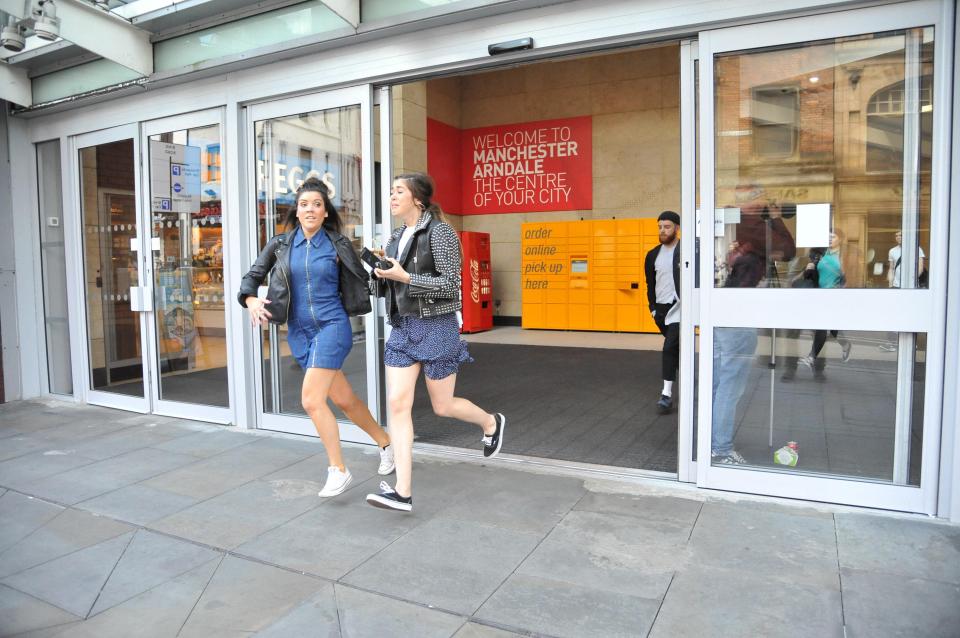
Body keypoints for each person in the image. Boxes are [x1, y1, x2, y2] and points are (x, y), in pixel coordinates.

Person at [238, 178, 394, 498]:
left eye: (317, 204)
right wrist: (251, 300)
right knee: (344, 399)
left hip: (332, 325)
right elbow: (250, 279)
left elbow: (366, 280)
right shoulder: (279, 245)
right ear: (297, 211)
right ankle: (386, 443)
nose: (310, 209)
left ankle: (338, 470)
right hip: (298, 332)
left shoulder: (338, 245)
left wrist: (381, 269)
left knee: (311, 400)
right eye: (304, 204)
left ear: (325, 213)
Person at [365, 172, 505, 513]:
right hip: (402, 327)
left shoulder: (441, 233)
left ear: (417, 198)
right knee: (398, 405)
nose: (392, 196)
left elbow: (451, 285)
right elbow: (391, 287)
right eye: (391, 191)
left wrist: (406, 276)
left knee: (442, 406)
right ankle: (403, 492)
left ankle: (490, 423)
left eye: (398, 191)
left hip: (436, 327)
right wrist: (379, 274)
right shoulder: (397, 235)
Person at [712, 184, 795, 465]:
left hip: (717, 310)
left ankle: (709, 442)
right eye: (762, 199)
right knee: (730, 386)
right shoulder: (751, 225)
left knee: (716, 382)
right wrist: (775, 217)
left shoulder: (724, 220)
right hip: (737, 314)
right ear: (755, 202)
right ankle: (720, 450)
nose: (766, 203)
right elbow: (788, 249)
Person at [800, 229, 852, 376]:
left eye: (833, 237)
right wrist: (809, 268)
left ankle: (811, 357)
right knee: (832, 328)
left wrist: (841, 292)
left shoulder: (843, 256)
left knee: (822, 326)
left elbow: (848, 278)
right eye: (828, 237)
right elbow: (812, 275)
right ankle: (845, 344)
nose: (829, 239)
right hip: (820, 295)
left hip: (834, 297)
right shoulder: (822, 254)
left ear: (840, 239)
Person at [644, 210, 681, 414]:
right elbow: (650, 283)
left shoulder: (687, 251)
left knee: (669, 348)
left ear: (676, 228)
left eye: (667, 226)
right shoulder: (652, 255)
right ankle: (686, 377)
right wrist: (652, 308)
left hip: (681, 308)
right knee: (676, 348)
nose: (662, 230)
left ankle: (666, 394)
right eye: (660, 226)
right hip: (661, 309)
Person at [881, 230, 927, 351]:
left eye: (900, 235)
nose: (898, 237)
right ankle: (893, 343)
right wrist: (890, 284)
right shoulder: (892, 251)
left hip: (911, 286)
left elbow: (920, 267)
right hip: (896, 286)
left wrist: (912, 282)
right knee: (893, 313)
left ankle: (911, 343)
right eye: (896, 235)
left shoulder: (917, 248)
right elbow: (891, 268)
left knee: (909, 313)